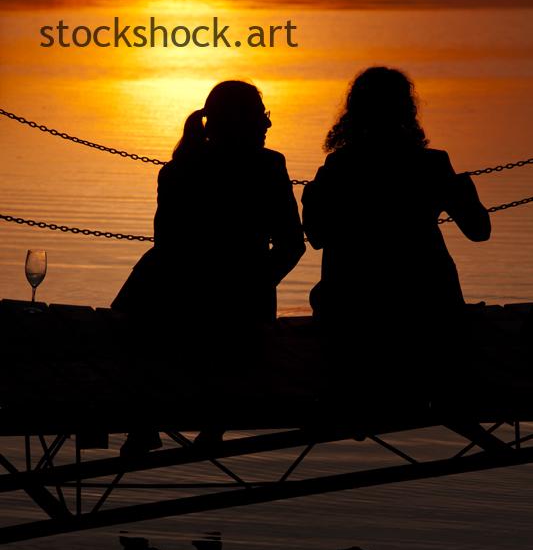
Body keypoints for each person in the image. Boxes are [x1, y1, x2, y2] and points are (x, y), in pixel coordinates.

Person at [113, 80, 305, 455]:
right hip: (238, 300)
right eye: (261, 117)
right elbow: (292, 244)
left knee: (132, 316)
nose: (267, 126)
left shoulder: (177, 169)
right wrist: (256, 283)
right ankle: (209, 421)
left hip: (173, 292)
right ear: (242, 121)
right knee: (217, 330)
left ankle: (145, 420)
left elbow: (165, 245)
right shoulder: (268, 166)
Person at [302, 66, 491, 409]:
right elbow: (479, 231)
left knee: (326, 299)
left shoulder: (339, 166)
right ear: (407, 110)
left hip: (354, 312)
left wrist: (313, 199)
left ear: (354, 112)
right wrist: (461, 188)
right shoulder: (433, 164)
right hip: (428, 308)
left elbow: (316, 236)